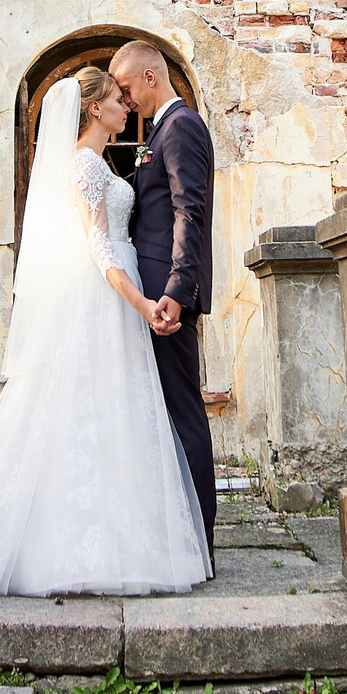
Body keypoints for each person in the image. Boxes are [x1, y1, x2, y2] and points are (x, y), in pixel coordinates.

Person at [0, 67, 212, 596]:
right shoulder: (83, 166)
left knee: (114, 410)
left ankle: (123, 531)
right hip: (107, 292)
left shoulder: (100, 161)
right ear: (95, 108)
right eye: (118, 100)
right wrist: (141, 300)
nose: (127, 107)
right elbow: (98, 245)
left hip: (116, 295)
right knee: (84, 407)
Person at [109, 38, 217, 549]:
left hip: (166, 296)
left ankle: (200, 541)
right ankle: (174, 536)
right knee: (160, 410)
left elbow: (187, 211)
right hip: (152, 290)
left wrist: (175, 288)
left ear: (150, 78)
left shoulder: (182, 127)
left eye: (127, 89)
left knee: (182, 409)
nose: (125, 100)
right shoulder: (161, 131)